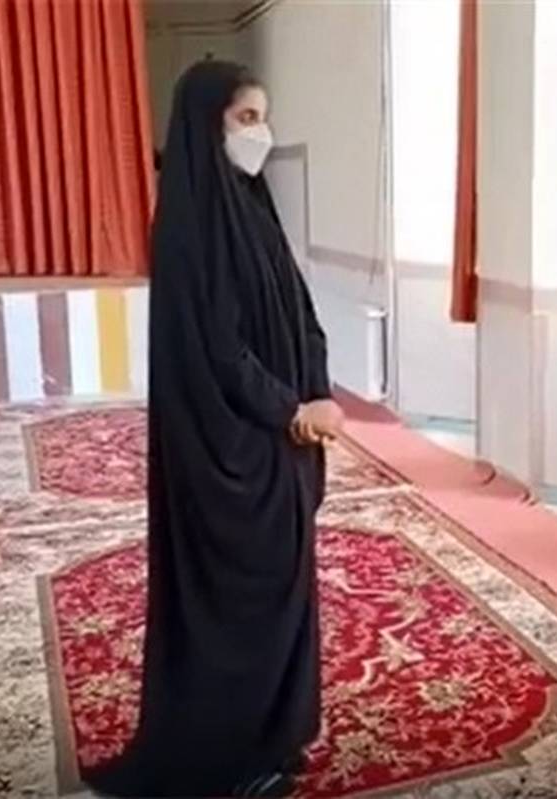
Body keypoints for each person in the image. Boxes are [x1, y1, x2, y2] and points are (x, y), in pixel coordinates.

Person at [84, 60, 346, 797]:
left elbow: (300, 314)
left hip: (282, 444)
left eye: (264, 117)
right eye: (246, 119)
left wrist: (317, 392)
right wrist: (289, 409)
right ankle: (232, 759)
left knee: (285, 595)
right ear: (208, 125)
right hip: (230, 452)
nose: (262, 134)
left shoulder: (252, 207)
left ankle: (275, 737)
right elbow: (219, 350)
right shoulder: (190, 227)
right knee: (242, 602)